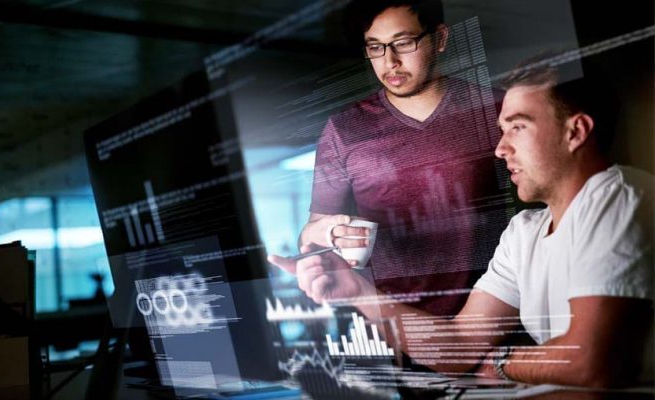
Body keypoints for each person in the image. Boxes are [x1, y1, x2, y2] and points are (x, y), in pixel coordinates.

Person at [270, 60, 654, 387]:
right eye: (501, 131)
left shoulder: (618, 195)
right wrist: (356, 291)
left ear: (576, 132)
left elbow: (592, 362)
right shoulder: (525, 232)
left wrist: (500, 364)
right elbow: (458, 344)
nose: (501, 148)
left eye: (518, 127)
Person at [298, 0, 508, 316]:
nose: (390, 61)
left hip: (490, 319)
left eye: (403, 43)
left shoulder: (495, 109)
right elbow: (314, 231)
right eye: (376, 48)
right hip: (391, 324)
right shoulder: (344, 129)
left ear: (440, 39)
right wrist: (321, 235)